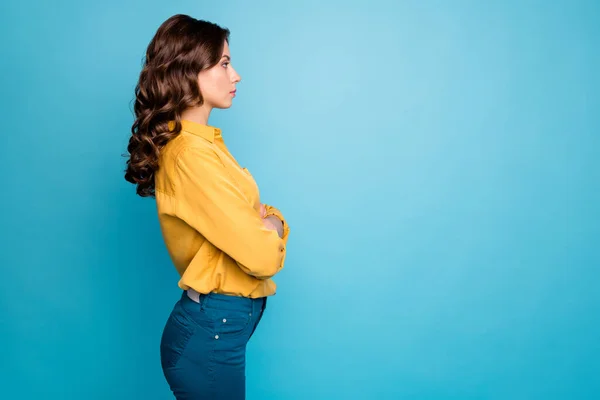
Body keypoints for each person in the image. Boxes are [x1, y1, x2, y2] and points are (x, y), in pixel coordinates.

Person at [123, 14, 290, 399]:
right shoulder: (190, 157)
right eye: (224, 63)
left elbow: (257, 226)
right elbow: (260, 255)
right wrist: (274, 225)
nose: (237, 76)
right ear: (188, 71)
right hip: (211, 332)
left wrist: (269, 223)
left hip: (220, 328)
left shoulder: (206, 146)